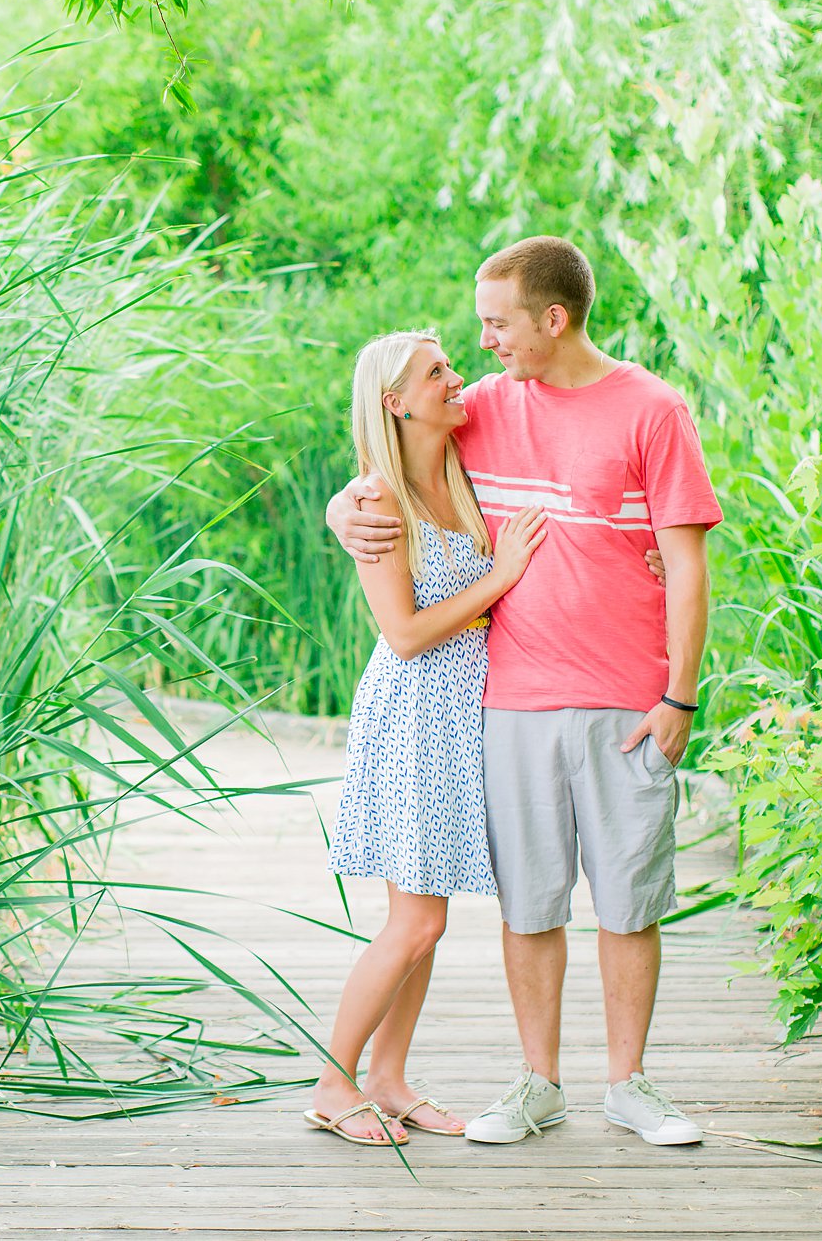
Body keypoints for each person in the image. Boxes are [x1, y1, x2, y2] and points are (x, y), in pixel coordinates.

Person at [326, 236, 720, 1147]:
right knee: (530, 905)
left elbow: (691, 569)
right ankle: (538, 1083)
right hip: (507, 702)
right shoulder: (482, 410)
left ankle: (630, 1085)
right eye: (474, 330)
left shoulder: (653, 410)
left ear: (554, 317)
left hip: (630, 701)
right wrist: (342, 507)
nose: (484, 344)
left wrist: (681, 694)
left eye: (498, 324)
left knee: (630, 902)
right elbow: (386, 458)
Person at [303, 331, 550, 1147]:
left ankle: (389, 1077)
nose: (455, 378)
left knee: (429, 914)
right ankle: (333, 1086)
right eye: (435, 372)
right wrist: (499, 576)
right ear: (394, 400)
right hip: (414, 713)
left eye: (450, 364)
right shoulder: (377, 503)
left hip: (462, 714)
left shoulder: (460, 462)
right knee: (414, 921)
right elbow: (403, 634)